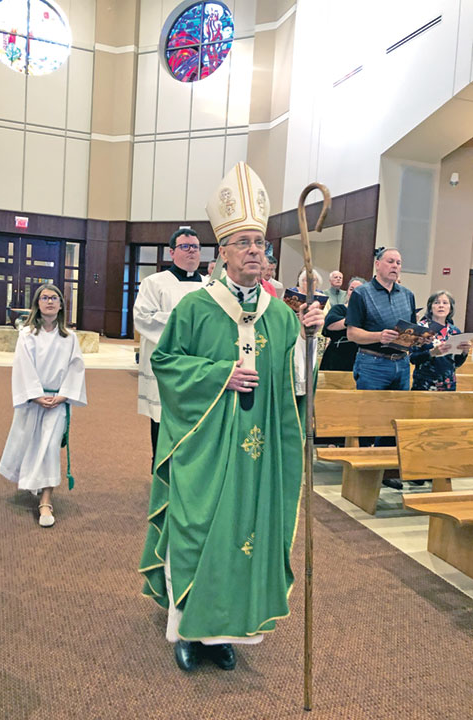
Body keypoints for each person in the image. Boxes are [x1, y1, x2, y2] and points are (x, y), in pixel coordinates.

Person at [139, 161, 324, 673]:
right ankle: (186, 631)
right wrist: (221, 374)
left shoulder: (283, 315)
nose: (253, 253)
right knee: (196, 530)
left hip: (257, 455)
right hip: (205, 446)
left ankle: (223, 632)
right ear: (222, 253)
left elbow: (299, 384)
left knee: (243, 536)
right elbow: (166, 364)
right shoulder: (196, 309)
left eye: (259, 245)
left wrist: (312, 338)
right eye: (242, 243)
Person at [0, 284, 87, 527]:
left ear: (61, 305)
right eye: (45, 298)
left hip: (58, 401)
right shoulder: (27, 335)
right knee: (30, 444)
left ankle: (46, 502)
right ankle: (33, 481)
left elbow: (76, 368)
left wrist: (64, 395)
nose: (50, 301)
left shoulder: (70, 338)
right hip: (33, 400)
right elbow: (22, 366)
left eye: (54, 298)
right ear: (37, 303)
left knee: (49, 448)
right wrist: (35, 395)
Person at [346, 247, 416, 488]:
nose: (395, 266)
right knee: (369, 418)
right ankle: (366, 471)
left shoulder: (407, 294)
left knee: (395, 418)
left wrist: (420, 338)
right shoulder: (362, 293)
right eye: (390, 261)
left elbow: (411, 329)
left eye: (398, 262)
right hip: (372, 362)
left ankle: (387, 472)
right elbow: (352, 333)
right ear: (377, 264)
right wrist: (378, 336)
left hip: (402, 363)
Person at [133, 228, 203, 465]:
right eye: (185, 246)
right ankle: (160, 466)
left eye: (195, 246)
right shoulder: (154, 282)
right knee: (162, 416)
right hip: (166, 361)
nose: (192, 250)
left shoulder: (210, 286)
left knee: (197, 417)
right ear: (172, 252)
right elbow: (143, 318)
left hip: (198, 363)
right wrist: (186, 325)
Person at [410, 290, 471, 391]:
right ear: (430, 308)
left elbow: (456, 363)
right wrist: (432, 353)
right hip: (424, 384)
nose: (441, 306)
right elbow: (413, 358)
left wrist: (464, 352)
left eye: (445, 303)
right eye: (437, 302)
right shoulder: (421, 328)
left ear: (450, 309)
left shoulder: (454, 330)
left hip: (448, 384)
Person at [320, 277, 365, 371]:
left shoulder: (368, 313)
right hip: (336, 358)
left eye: (359, 290)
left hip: (360, 359)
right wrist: (354, 319)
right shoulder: (339, 309)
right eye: (351, 289)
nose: (354, 292)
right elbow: (330, 325)